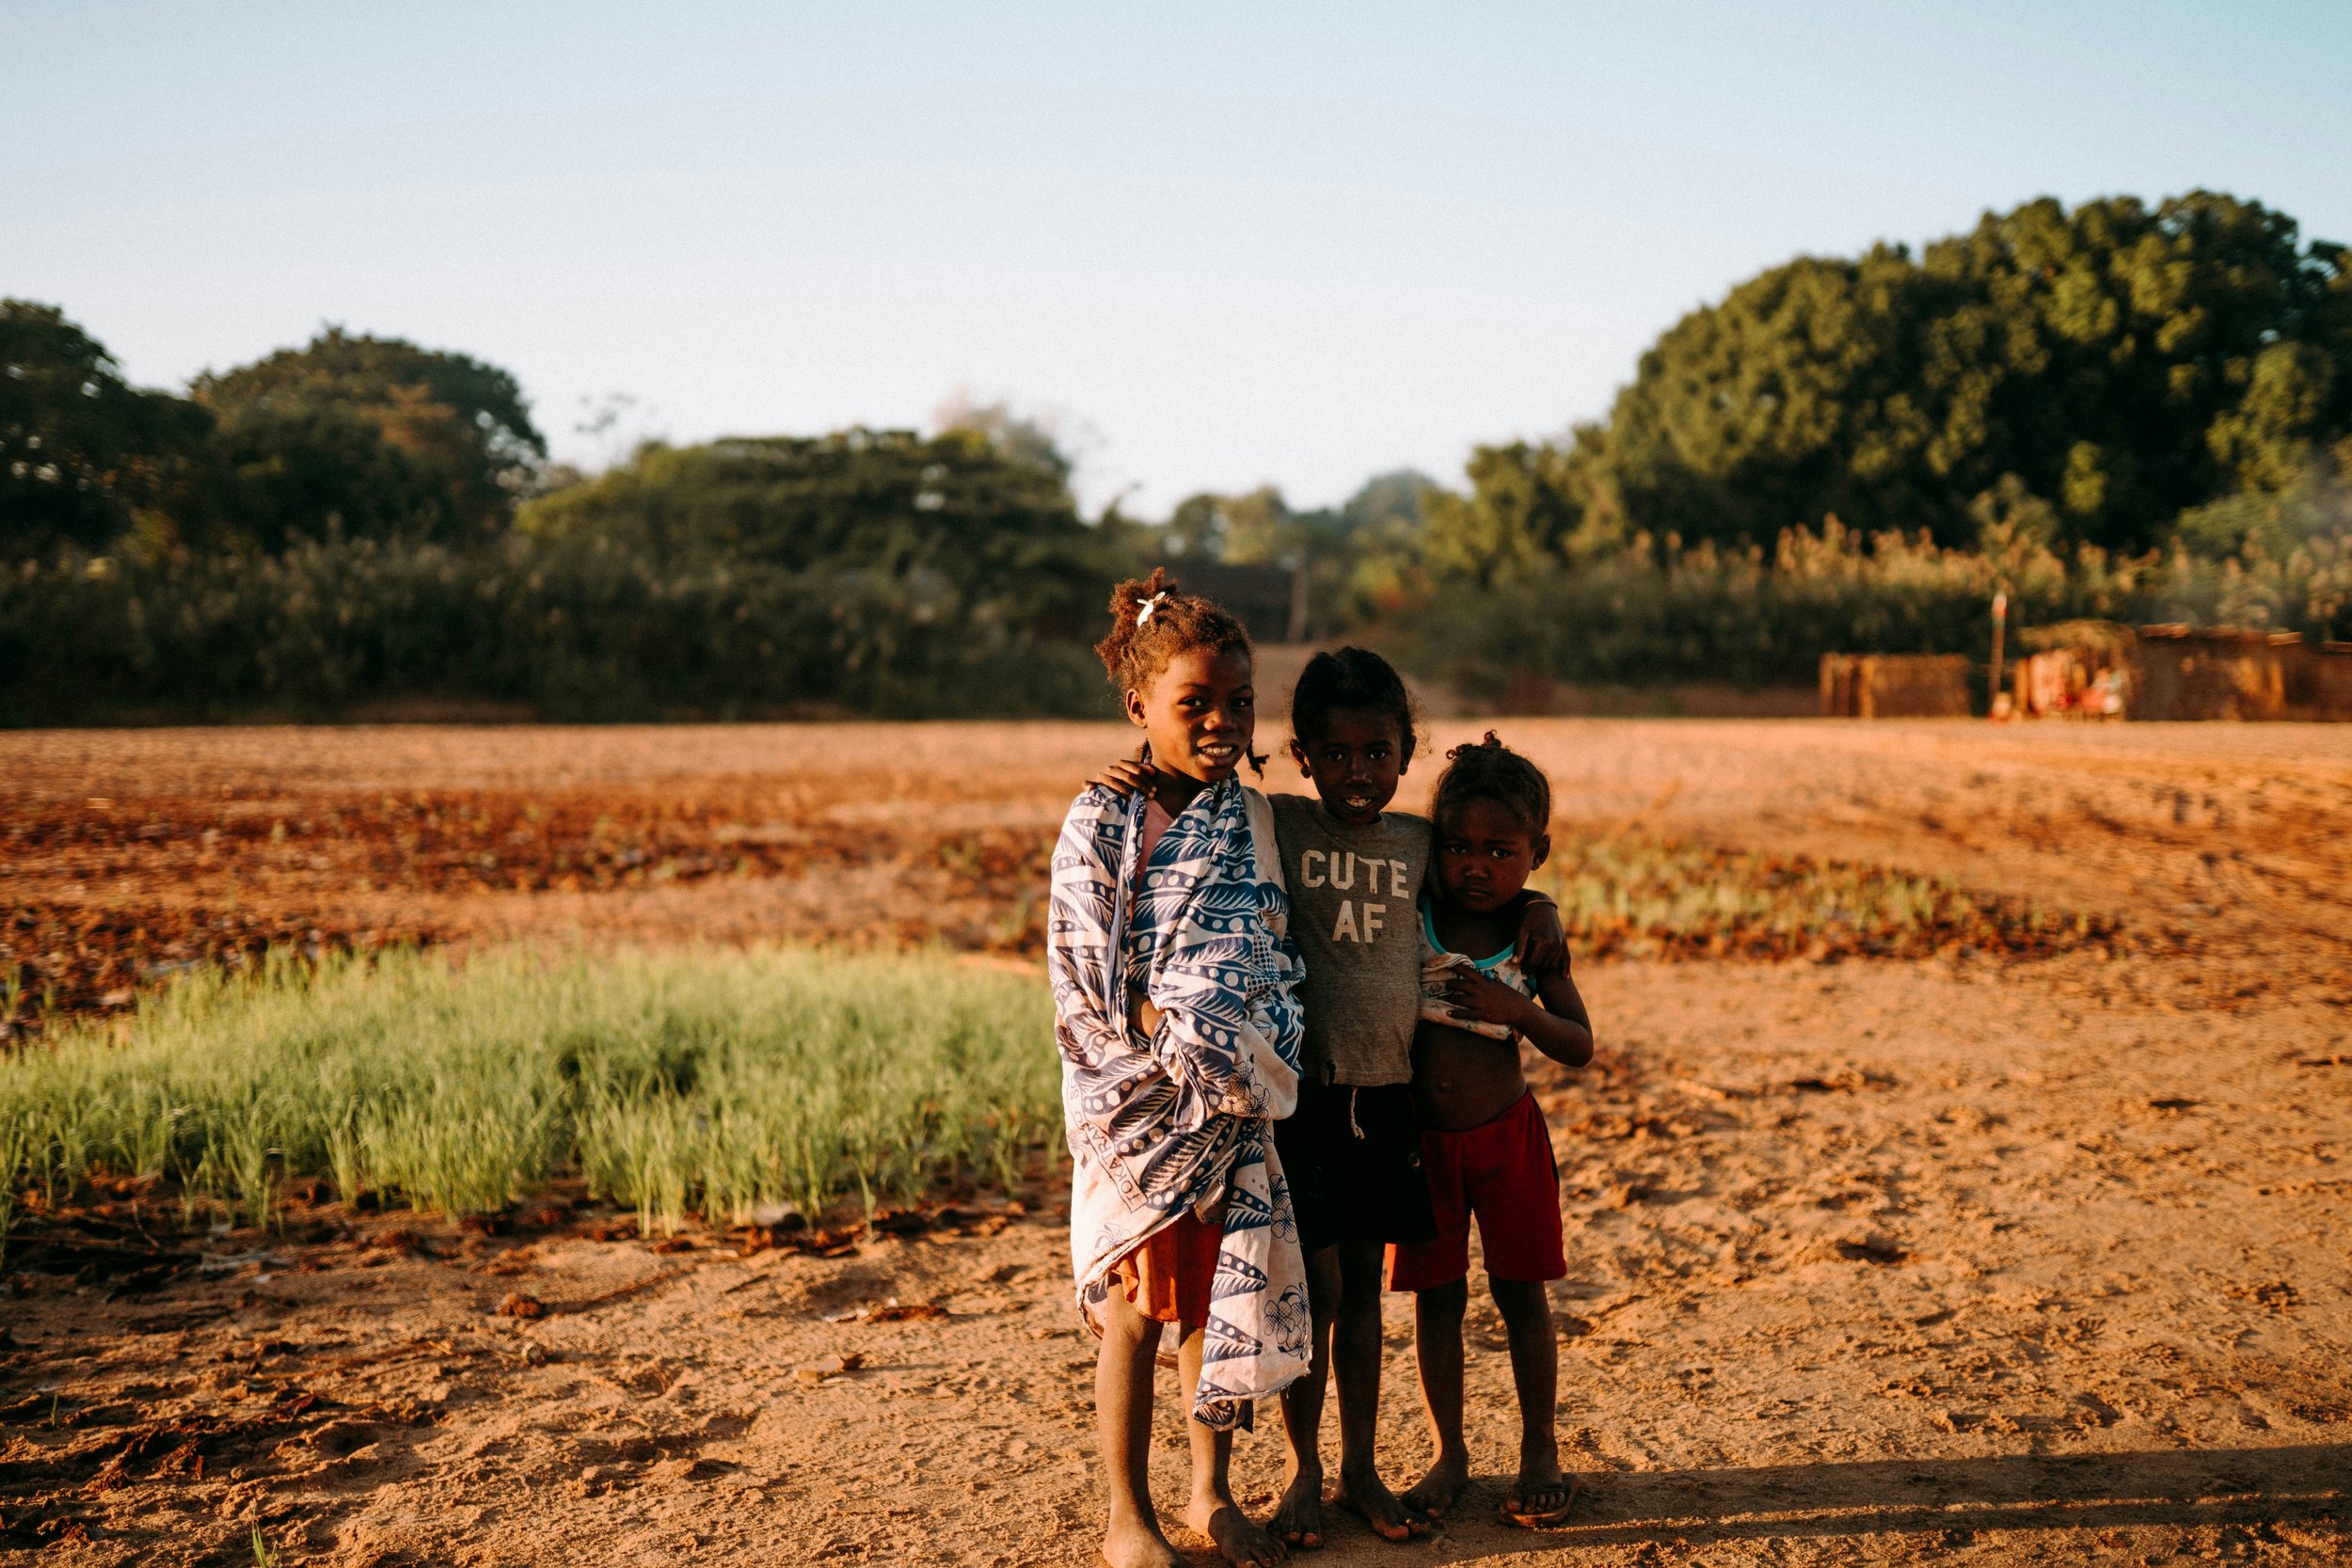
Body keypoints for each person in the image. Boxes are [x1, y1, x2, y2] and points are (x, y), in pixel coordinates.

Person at [1089, 649, 1565, 1548]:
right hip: (1303, 1099)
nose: (1360, 772)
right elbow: (1195, 798)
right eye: (1337, 754)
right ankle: (1304, 1471)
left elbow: (1487, 882)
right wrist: (1138, 771)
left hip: (1388, 1101)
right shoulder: (1278, 823)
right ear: (1302, 754)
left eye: (1379, 753)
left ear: (1406, 750)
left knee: (1364, 1298)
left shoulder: (1420, 843)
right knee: (1313, 1285)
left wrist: (1539, 904)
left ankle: (1359, 1468)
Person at [1049, 569, 1308, 1568]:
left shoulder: (1252, 818)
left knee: (1211, 1308)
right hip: (1142, 1109)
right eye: (1192, 702)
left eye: (1238, 702)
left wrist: (1236, 1045)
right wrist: (1171, 1047)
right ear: (1138, 708)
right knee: (1131, 1318)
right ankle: (1126, 1515)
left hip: (1233, 1103)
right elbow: (1083, 976)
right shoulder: (1103, 820)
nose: (1221, 721)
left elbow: (1271, 947)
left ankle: (1208, 1492)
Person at [1388, 733, 1595, 1529]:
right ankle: (1451, 1453)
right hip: (1424, 1145)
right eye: (1459, 847)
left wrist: (1522, 1010)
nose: (1476, 865)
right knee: (1436, 1301)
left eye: (1500, 851)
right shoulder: (1419, 912)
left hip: (1505, 1140)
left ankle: (1540, 1447)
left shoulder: (1534, 937)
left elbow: (1578, 1044)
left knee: (1521, 1295)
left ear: (1536, 853)